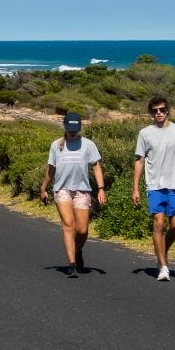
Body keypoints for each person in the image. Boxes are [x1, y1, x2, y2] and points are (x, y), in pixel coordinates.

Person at [131, 97, 175, 281]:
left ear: (168, 111)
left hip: (174, 185)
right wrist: (136, 188)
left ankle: (162, 251)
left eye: (162, 110)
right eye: (155, 110)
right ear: (150, 113)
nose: (159, 113)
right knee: (158, 222)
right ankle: (163, 266)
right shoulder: (145, 133)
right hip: (154, 186)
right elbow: (139, 161)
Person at [39, 110, 105, 275]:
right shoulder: (56, 145)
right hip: (62, 189)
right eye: (70, 128)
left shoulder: (88, 144)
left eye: (75, 128)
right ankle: (72, 264)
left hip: (82, 189)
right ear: (65, 127)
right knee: (69, 224)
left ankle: (77, 250)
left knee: (82, 230)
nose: (72, 131)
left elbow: (96, 166)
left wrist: (101, 188)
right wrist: (44, 188)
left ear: (80, 127)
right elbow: (51, 169)